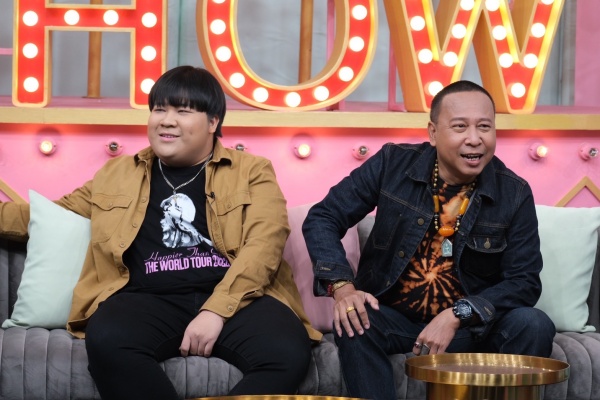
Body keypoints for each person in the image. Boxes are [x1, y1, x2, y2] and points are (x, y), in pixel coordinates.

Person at [0, 65, 321, 399]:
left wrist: (216, 310)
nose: (167, 120)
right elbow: (48, 215)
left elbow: (264, 244)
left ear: (213, 122)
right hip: (148, 298)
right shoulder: (117, 174)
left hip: (237, 299)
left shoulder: (252, 171)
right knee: (108, 338)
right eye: (159, 110)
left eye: (182, 111)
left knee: (286, 352)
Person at [302, 80, 555, 400]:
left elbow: (524, 281)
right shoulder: (392, 163)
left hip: (471, 329)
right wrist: (343, 287)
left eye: (484, 127)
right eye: (460, 126)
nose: (474, 139)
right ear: (433, 133)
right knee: (354, 319)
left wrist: (458, 314)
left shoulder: (514, 192)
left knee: (533, 323)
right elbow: (324, 217)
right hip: (394, 319)